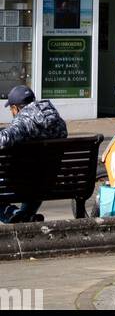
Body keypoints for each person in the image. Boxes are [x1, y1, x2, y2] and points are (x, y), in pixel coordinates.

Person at [0, 86, 67, 224]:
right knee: (38, 178)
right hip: (49, 182)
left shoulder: (24, 119)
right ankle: (27, 216)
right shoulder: (56, 119)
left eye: (11, 109)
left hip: (22, 182)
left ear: (16, 108)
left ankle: (11, 213)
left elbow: (4, 139)